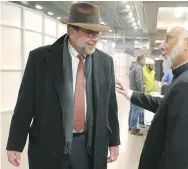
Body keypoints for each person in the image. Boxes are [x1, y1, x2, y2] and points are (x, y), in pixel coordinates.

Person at [6, 3, 120, 169]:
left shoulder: (105, 62)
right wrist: (15, 144)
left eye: (98, 33)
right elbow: (25, 104)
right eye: (90, 33)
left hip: (89, 146)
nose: (95, 38)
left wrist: (114, 141)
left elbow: (110, 105)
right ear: (71, 31)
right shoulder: (41, 58)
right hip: (49, 144)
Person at [116, 24, 188, 169]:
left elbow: (177, 157)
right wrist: (130, 93)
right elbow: (164, 105)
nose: (162, 46)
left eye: (169, 39)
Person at [128, 56, 145, 136]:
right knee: (135, 110)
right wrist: (141, 92)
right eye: (144, 60)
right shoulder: (138, 68)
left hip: (131, 90)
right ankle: (133, 128)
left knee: (132, 109)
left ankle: (131, 127)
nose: (144, 61)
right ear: (140, 60)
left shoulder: (132, 67)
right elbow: (139, 80)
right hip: (136, 92)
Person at [143, 58, 157, 126]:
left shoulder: (153, 72)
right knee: (145, 110)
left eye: (153, 65)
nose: (153, 67)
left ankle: (149, 121)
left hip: (153, 93)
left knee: (150, 110)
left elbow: (153, 81)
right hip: (146, 93)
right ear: (147, 65)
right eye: (152, 65)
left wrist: (155, 90)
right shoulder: (143, 71)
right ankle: (144, 121)